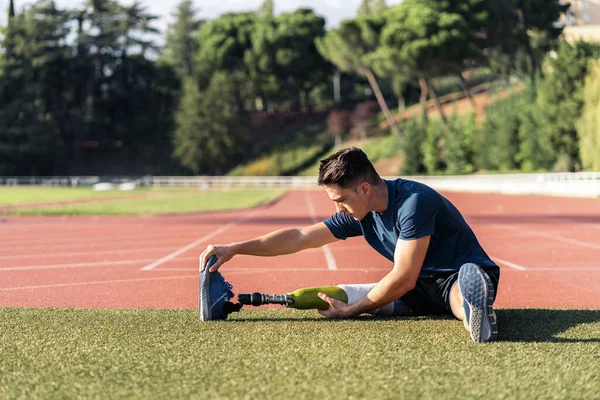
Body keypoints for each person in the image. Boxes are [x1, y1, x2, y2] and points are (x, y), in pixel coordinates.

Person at [199, 147, 500, 343]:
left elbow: (404, 276)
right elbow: (299, 238)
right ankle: (221, 303)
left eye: (340, 200)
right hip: (417, 286)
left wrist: (352, 311)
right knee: (341, 294)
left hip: (453, 275)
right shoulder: (360, 211)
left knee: (457, 295)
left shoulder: (414, 203)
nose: (337, 209)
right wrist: (235, 247)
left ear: (365, 189)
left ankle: (476, 311)